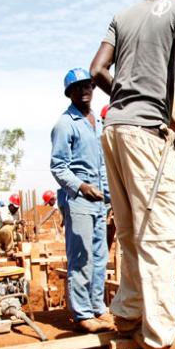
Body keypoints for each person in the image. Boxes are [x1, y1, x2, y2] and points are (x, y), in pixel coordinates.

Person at [90, 0, 175, 349]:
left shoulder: (122, 16)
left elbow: (96, 71)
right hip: (145, 133)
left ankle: (127, 312)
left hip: (113, 128)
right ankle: (162, 334)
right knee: (159, 232)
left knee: (128, 230)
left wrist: (126, 94)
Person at [50, 68, 113, 333]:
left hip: (99, 200)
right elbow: (58, 167)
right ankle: (82, 313)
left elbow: (103, 165)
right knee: (81, 257)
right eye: (78, 88)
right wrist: (82, 186)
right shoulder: (65, 124)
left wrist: (110, 199)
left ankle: (97, 307)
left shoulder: (96, 122)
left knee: (99, 257)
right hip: (78, 199)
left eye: (88, 86)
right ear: (70, 93)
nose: (85, 91)